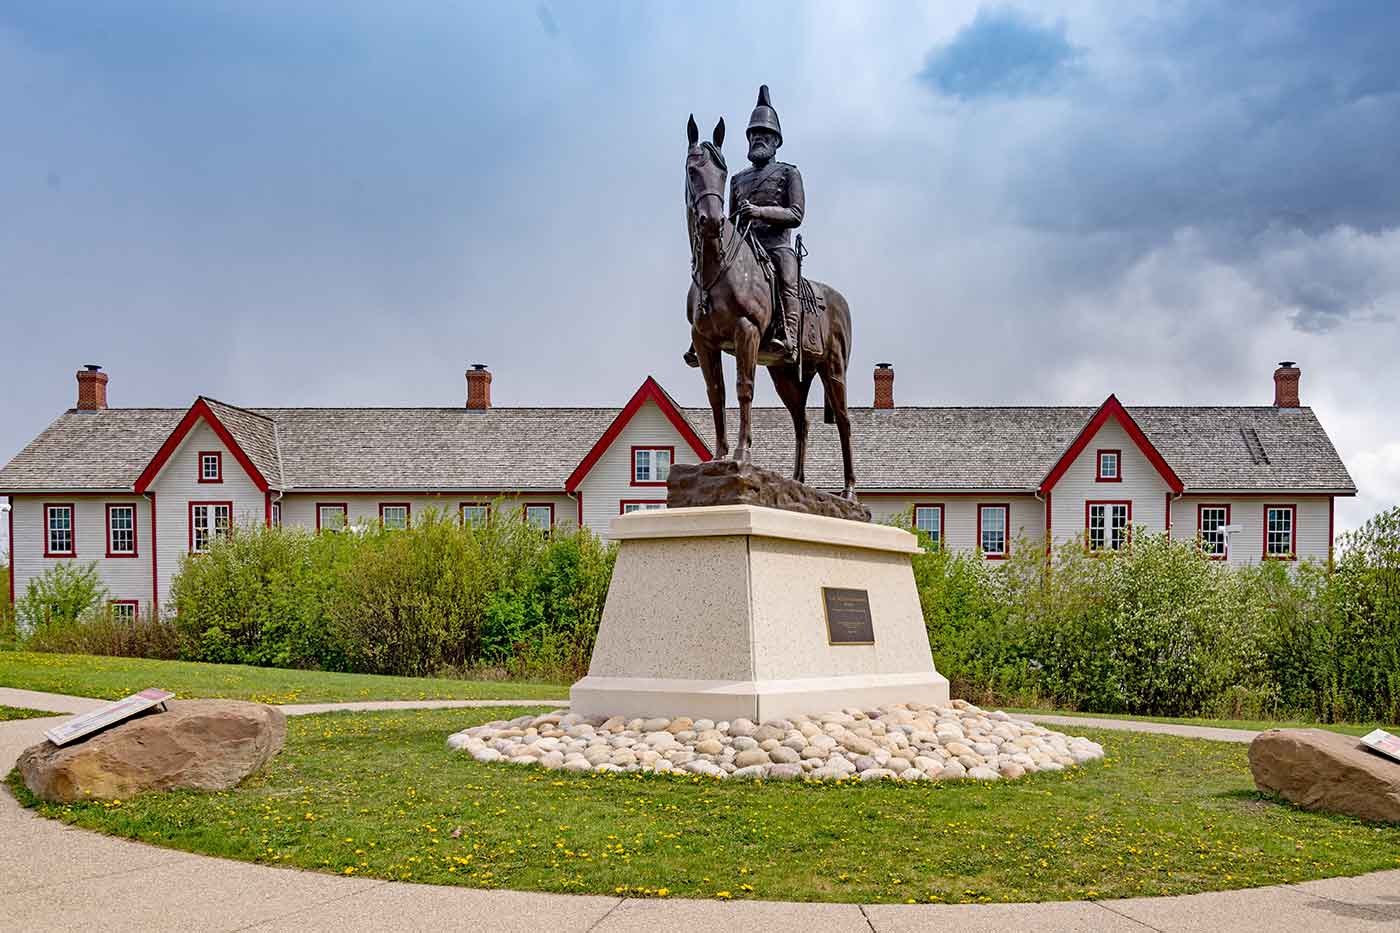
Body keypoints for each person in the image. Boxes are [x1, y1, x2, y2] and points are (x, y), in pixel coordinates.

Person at [684, 85, 804, 367]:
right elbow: (731, 217)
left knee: (788, 278)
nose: (758, 139)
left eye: (765, 135)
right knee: (710, 267)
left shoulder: (789, 173)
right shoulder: (738, 179)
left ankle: (789, 336)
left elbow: (796, 214)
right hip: (743, 247)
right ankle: (701, 330)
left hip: (776, 245)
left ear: (776, 142)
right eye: (754, 135)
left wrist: (759, 211)